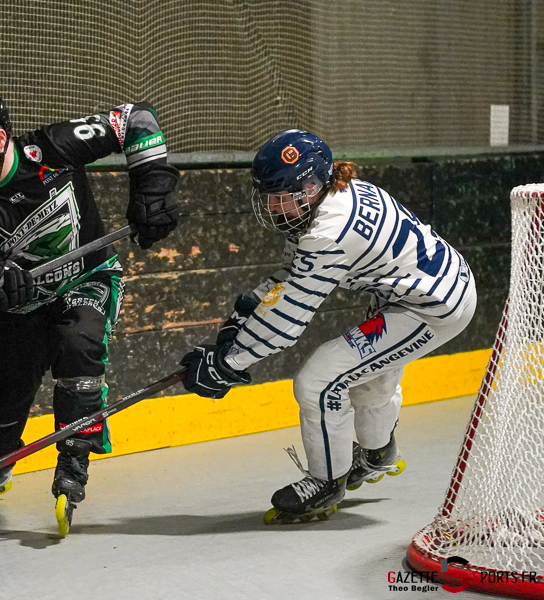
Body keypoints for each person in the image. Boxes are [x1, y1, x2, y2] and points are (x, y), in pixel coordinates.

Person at [179, 129, 476, 523]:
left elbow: (287, 319)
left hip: (431, 307)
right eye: (268, 193)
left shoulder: (327, 233)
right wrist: (241, 318)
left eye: (281, 193)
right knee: (369, 380)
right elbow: (288, 278)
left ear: (311, 186)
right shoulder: (329, 201)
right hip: (425, 291)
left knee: (319, 379)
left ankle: (326, 482)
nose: (272, 204)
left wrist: (228, 361)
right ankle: (377, 454)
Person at [0, 82, 179, 533]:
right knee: (3, 382)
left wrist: (153, 187)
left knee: (77, 342)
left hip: (89, 279)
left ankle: (74, 462)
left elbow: (136, 119)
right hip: (29, 304)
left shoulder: (51, 149)